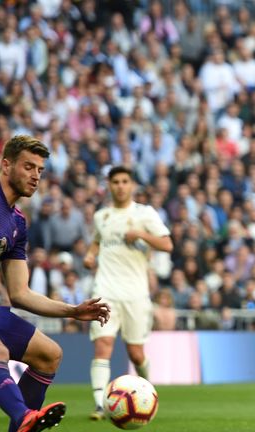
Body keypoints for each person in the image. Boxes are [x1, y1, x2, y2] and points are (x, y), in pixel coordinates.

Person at [0, 135, 110, 432]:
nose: (35, 175)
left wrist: (72, 311)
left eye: (40, 170)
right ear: (5, 165)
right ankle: (25, 416)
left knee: (48, 353)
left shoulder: (17, 223)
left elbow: (20, 293)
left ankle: (23, 426)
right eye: (28, 167)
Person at [83, 166, 173, 420]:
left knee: (136, 353)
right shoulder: (102, 216)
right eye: (116, 182)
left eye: (125, 181)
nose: (120, 186)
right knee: (103, 344)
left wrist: (142, 234)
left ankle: (148, 390)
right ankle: (100, 404)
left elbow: (167, 244)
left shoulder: (144, 214)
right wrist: (90, 256)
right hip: (105, 290)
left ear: (131, 185)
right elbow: (97, 241)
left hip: (135, 294)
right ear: (109, 185)